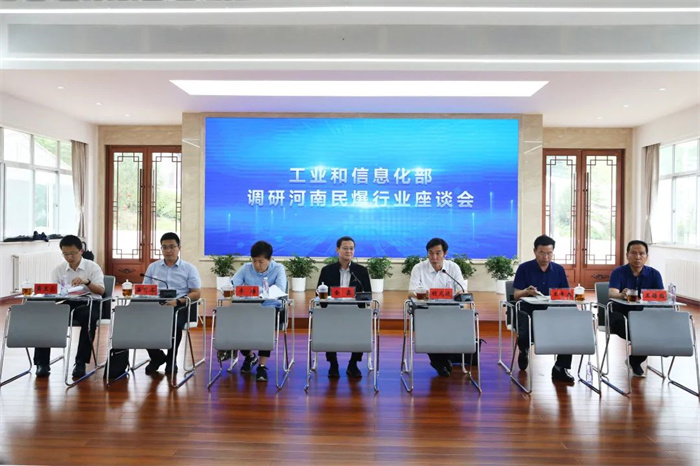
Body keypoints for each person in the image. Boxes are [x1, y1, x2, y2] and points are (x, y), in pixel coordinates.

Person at [34, 235, 105, 379]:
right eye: (65, 254)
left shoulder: (92, 267)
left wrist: (86, 282)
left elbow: (101, 291)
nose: (69, 257)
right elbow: (54, 292)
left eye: (73, 253)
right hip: (67, 302)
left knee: (88, 318)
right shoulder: (59, 269)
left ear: (81, 251)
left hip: (89, 303)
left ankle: (80, 362)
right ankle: (42, 363)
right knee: (45, 318)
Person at [513, 234, 574, 383]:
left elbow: (565, 294)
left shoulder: (558, 270)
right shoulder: (524, 268)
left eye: (549, 253)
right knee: (525, 330)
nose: (545, 257)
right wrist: (527, 292)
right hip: (528, 309)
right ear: (535, 251)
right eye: (542, 253)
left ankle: (560, 367)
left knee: (569, 327)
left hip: (552, 310)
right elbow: (516, 295)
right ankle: (524, 349)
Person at [228, 240, 288, 382]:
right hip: (248, 307)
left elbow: (279, 289)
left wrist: (253, 291)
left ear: (270, 259)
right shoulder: (246, 268)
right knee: (234, 324)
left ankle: (262, 365)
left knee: (264, 327)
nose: (257, 265)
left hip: (271, 308)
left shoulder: (278, 268)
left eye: (261, 262)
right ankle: (250, 356)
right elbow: (232, 285)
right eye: (254, 261)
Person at [408, 237, 468, 377]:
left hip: (448, 309)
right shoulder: (419, 268)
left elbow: (462, 289)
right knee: (428, 326)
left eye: (438, 253)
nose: (434, 257)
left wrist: (460, 292)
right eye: (430, 253)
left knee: (454, 327)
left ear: (445, 253)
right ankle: (439, 361)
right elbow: (410, 292)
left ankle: (442, 360)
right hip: (425, 309)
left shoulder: (453, 268)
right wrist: (423, 294)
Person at [143, 232, 201, 376]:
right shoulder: (153, 267)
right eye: (164, 247)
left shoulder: (189, 268)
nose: (168, 250)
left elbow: (196, 293)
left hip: (180, 304)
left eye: (172, 247)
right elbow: (145, 289)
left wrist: (178, 301)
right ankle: (157, 357)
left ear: (179, 248)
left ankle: (171, 360)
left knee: (175, 323)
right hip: (157, 304)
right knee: (140, 322)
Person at [316, 236, 372, 379]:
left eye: (351, 248)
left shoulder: (361, 271)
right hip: (333, 312)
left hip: (354, 312)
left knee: (362, 325)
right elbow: (318, 294)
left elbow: (368, 295)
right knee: (326, 324)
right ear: (337, 250)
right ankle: (333, 364)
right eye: (345, 248)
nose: (348, 251)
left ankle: (353, 364)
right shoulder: (327, 270)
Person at [608, 240, 664, 378]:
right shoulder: (618, 272)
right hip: (620, 314)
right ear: (627, 255)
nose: (637, 257)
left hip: (645, 316)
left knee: (651, 330)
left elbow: (660, 295)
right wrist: (621, 295)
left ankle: (635, 360)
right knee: (643, 333)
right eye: (633, 253)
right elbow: (612, 293)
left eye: (641, 254)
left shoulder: (654, 274)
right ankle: (642, 354)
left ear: (646, 256)